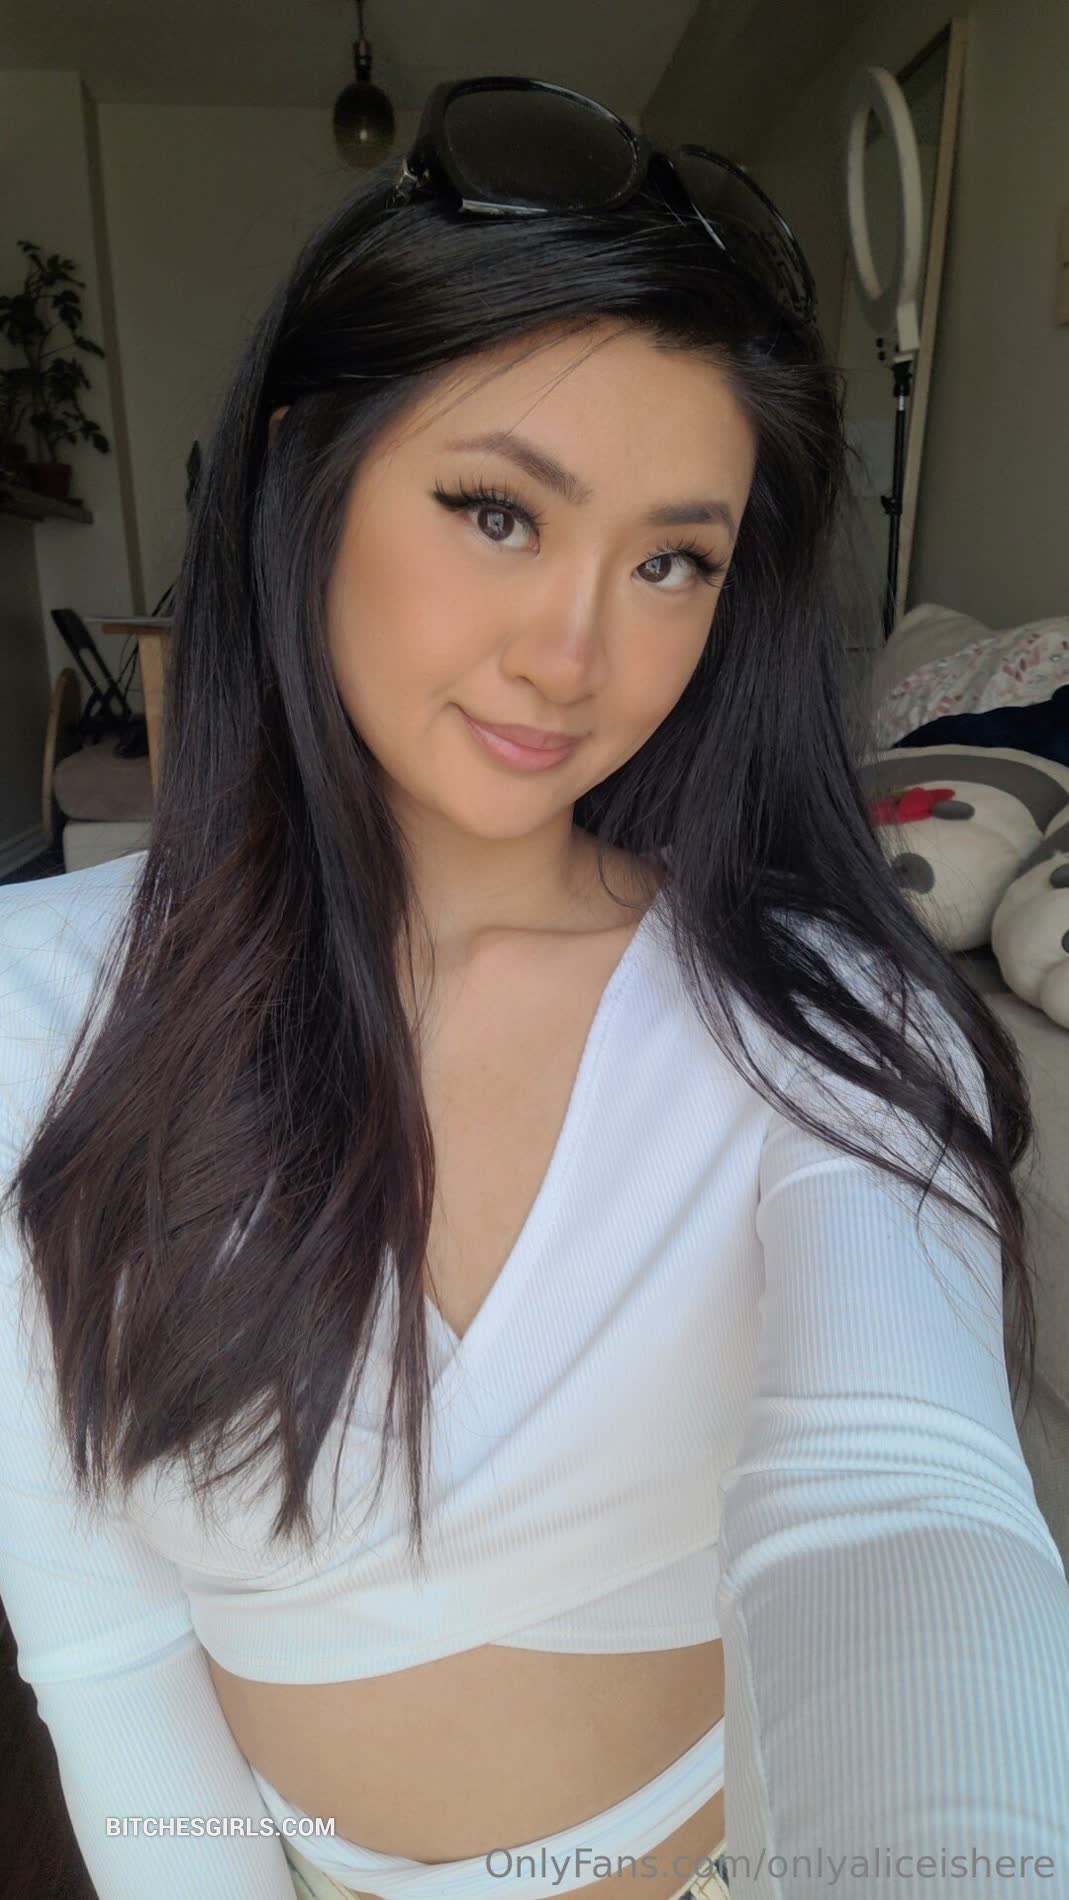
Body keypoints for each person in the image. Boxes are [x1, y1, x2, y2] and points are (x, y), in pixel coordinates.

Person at [2, 75, 1068, 1900]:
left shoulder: (819, 1020)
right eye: (498, 512)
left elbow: (900, 1499)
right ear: (304, 473)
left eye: (671, 561)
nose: (576, 653)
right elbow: (105, 1645)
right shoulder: (41, 1012)